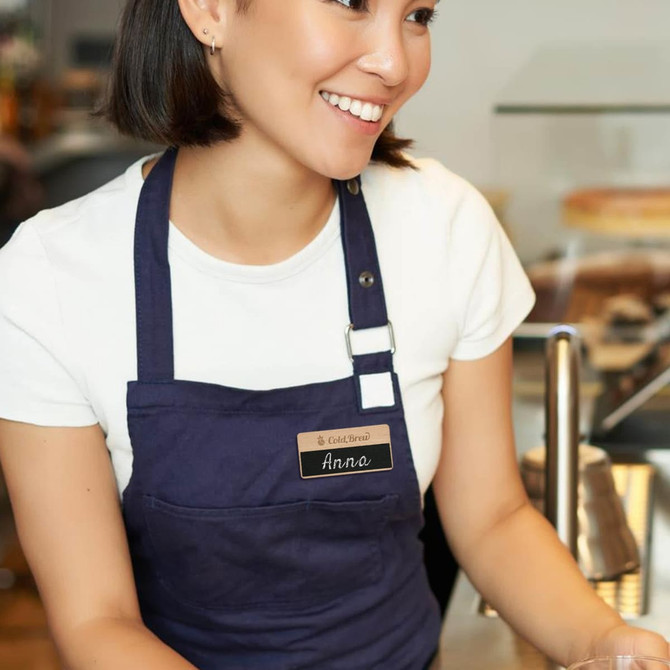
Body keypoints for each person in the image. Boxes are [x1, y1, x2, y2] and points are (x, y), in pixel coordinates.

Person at [0, 1, 667, 668]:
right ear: (209, 11)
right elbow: (96, 620)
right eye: (351, 2)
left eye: (419, 15)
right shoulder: (51, 277)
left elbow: (493, 519)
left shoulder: (443, 227)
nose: (395, 62)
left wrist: (601, 639)